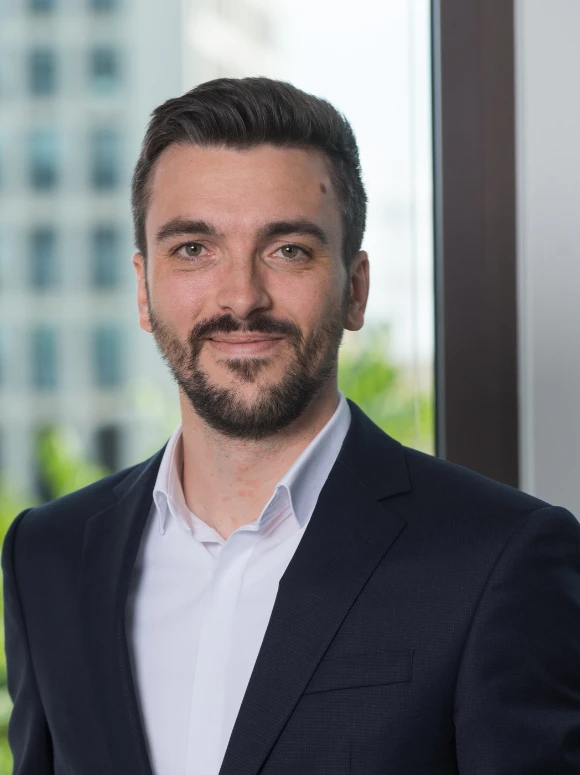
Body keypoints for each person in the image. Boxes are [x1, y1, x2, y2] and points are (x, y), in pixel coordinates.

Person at [3, 77, 580, 775]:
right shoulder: (49, 557)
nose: (241, 296)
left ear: (355, 287)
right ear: (142, 287)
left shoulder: (499, 558)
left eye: (289, 250)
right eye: (193, 248)